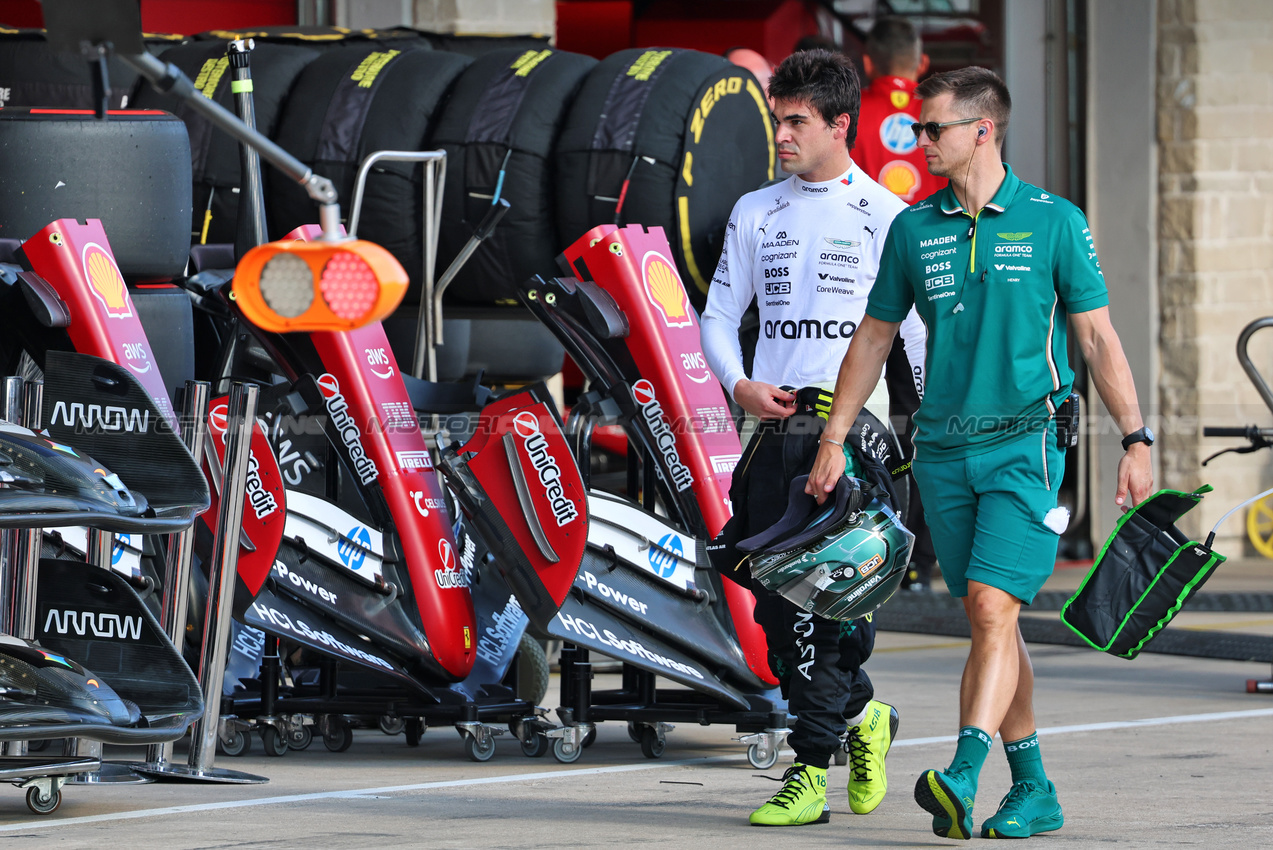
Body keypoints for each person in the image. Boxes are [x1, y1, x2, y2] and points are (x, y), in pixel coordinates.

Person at [806, 66, 1154, 840]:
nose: (919, 140)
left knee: (995, 607)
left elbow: (1096, 337)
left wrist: (1134, 438)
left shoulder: (1054, 221)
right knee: (988, 618)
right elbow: (872, 338)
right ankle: (1033, 788)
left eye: (932, 128)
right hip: (940, 452)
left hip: (1025, 446)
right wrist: (833, 437)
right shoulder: (912, 227)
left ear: (981, 130)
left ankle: (961, 773)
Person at [700, 48, 927, 827]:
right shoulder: (754, 210)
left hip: (851, 436)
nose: (782, 136)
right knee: (774, 616)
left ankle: (808, 768)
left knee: (827, 615)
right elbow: (719, 318)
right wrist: (738, 387)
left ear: (840, 124)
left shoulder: (889, 217)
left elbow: (916, 342)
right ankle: (864, 720)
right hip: (772, 434)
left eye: (796, 121)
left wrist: (908, 442)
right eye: (777, 120)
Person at [855, 15, 946, 592]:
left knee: (858, 414)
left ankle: (867, 542)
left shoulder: (851, 115)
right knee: (927, 421)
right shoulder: (943, 119)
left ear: (866, 64)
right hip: (930, 291)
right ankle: (927, 553)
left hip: (865, 291)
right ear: (921, 64)